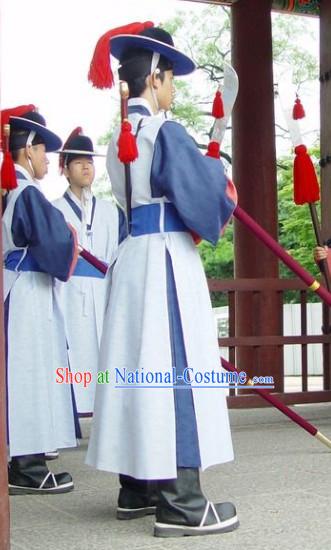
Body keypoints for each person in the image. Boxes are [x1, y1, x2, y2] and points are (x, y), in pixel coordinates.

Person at [86, 23, 239, 537]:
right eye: (170, 80)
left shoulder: (116, 142)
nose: (173, 91)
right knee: (177, 372)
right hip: (166, 261)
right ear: (154, 77)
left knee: (135, 369)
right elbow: (206, 198)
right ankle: (183, 501)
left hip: (132, 258)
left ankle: (137, 488)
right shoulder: (165, 131)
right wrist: (220, 177)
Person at [2, 106, 79, 494]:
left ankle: (24, 460)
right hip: (27, 289)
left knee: (20, 373)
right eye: (42, 150)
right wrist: (70, 236)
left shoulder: (9, 187)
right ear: (27, 149)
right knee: (28, 373)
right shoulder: (25, 190)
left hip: (14, 284)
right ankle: (28, 467)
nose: (46, 159)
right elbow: (56, 242)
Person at [53, 129, 126, 414]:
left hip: (105, 287)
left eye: (90, 162)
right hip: (69, 290)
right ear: (66, 170)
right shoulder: (55, 210)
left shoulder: (111, 210)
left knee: (108, 352)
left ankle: (109, 415)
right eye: (78, 162)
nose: (86, 167)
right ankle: (69, 414)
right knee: (74, 352)